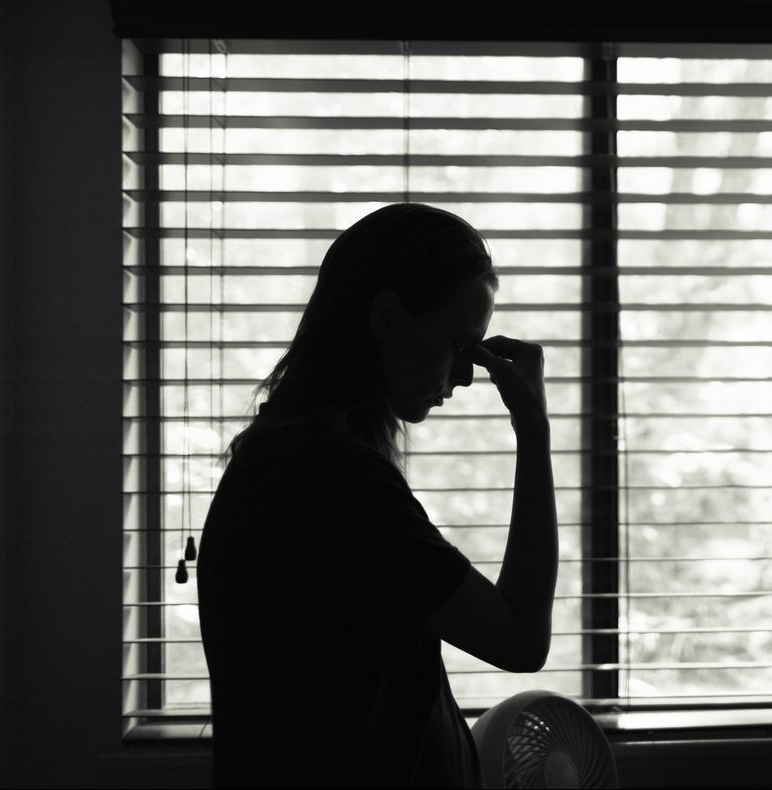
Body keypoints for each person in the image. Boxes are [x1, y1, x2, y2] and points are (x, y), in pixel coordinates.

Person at [196, 203, 557, 788]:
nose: (467, 377)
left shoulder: (296, 457)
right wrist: (533, 430)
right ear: (387, 317)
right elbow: (520, 640)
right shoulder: (333, 481)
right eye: (458, 345)